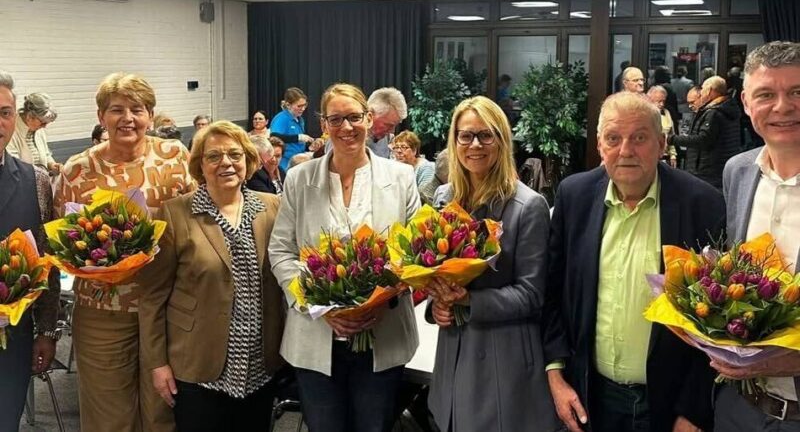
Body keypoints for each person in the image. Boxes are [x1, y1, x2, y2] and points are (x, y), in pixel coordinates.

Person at [543, 91, 725, 432]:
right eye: (614, 138)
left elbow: (718, 319)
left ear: (661, 142)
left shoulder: (704, 204)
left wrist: (695, 409)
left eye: (639, 137)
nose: (625, 150)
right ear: (600, 145)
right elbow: (553, 293)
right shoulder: (573, 197)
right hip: (590, 397)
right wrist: (556, 373)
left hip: (671, 407)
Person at [269, 83, 419, 432]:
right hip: (315, 336)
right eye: (336, 119)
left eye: (354, 117)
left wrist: (382, 300)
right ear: (323, 124)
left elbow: (413, 255)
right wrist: (318, 306)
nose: (346, 127)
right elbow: (281, 250)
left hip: (383, 332)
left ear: (369, 118)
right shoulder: (299, 178)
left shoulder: (401, 177)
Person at [54, 72, 197, 432]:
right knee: (108, 416)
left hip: (167, 306)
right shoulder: (76, 171)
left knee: (163, 412)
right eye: (116, 110)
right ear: (101, 116)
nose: (127, 118)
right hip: (103, 311)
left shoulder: (175, 157)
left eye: (137, 109)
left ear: (150, 114)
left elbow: (198, 220)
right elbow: (63, 244)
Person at [138, 121, 285, 431]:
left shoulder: (273, 208)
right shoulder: (175, 214)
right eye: (214, 156)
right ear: (200, 165)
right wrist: (158, 364)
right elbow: (152, 297)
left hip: (260, 368)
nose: (226, 163)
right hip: (197, 367)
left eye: (235, 154)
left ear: (248, 160)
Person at [426, 96, 557, 432]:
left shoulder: (528, 206)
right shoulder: (444, 199)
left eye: (486, 135)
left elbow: (531, 295)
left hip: (503, 358)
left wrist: (467, 301)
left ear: (502, 140)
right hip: (452, 352)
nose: (475, 145)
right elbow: (433, 272)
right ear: (454, 141)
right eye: (466, 135)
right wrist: (437, 304)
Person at [713, 41, 800, 431]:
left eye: (797, 92)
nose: (782, 107)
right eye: (766, 94)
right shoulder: (738, 172)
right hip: (741, 408)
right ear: (747, 104)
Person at [0, 70, 60, 432]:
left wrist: (48, 331)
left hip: (13, 343)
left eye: (5, 112)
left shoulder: (36, 181)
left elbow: (46, 263)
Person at [668, 75, 741, 190]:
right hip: (719, 167)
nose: (701, 92)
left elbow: (703, 139)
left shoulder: (713, 113)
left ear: (710, 91)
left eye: (703, 88)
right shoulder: (728, 109)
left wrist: (671, 139)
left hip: (708, 170)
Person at [7, 93, 61, 175]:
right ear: (29, 117)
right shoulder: (10, 130)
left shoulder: (38, 129)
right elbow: (14, 166)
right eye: (42, 122)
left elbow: (46, 154)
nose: (44, 126)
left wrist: (52, 165)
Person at [270, 87, 313, 172]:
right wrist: (298, 137)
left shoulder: (300, 119)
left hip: (298, 161)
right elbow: (274, 137)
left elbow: (297, 143)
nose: (303, 108)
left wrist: (310, 145)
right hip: (285, 163)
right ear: (288, 105)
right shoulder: (282, 118)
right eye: (299, 106)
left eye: (305, 105)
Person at [646, 86, 677, 167]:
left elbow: (671, 135)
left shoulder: (667, 113)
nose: (662, 104)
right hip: (650, 157)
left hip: (665, 157)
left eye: (663, 101)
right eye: (659, 101)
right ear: (650, 100)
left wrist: (673, 155)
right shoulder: (644, 115)